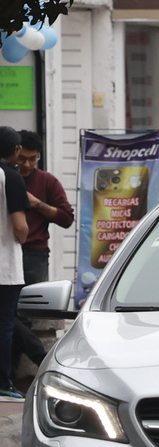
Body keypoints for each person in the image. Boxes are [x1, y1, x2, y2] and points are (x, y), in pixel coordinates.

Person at [14, 130, 72, 370]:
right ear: (14, 153)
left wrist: (36, 203)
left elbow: (67, 218)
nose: (27, 164)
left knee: (24, 315)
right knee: (10, 316)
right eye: (23, 159)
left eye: (33, 159)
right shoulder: (5, 177)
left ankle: (14, 374)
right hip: (8, 251)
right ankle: (39, 359)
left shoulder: (47, 181)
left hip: (34, 253)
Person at [0, 127, 30, 401]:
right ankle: (3, 382)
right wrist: (23, 236)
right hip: (4, 267)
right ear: (17, 150)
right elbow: (20, 227)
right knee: (4, 324)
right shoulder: (11, 176)